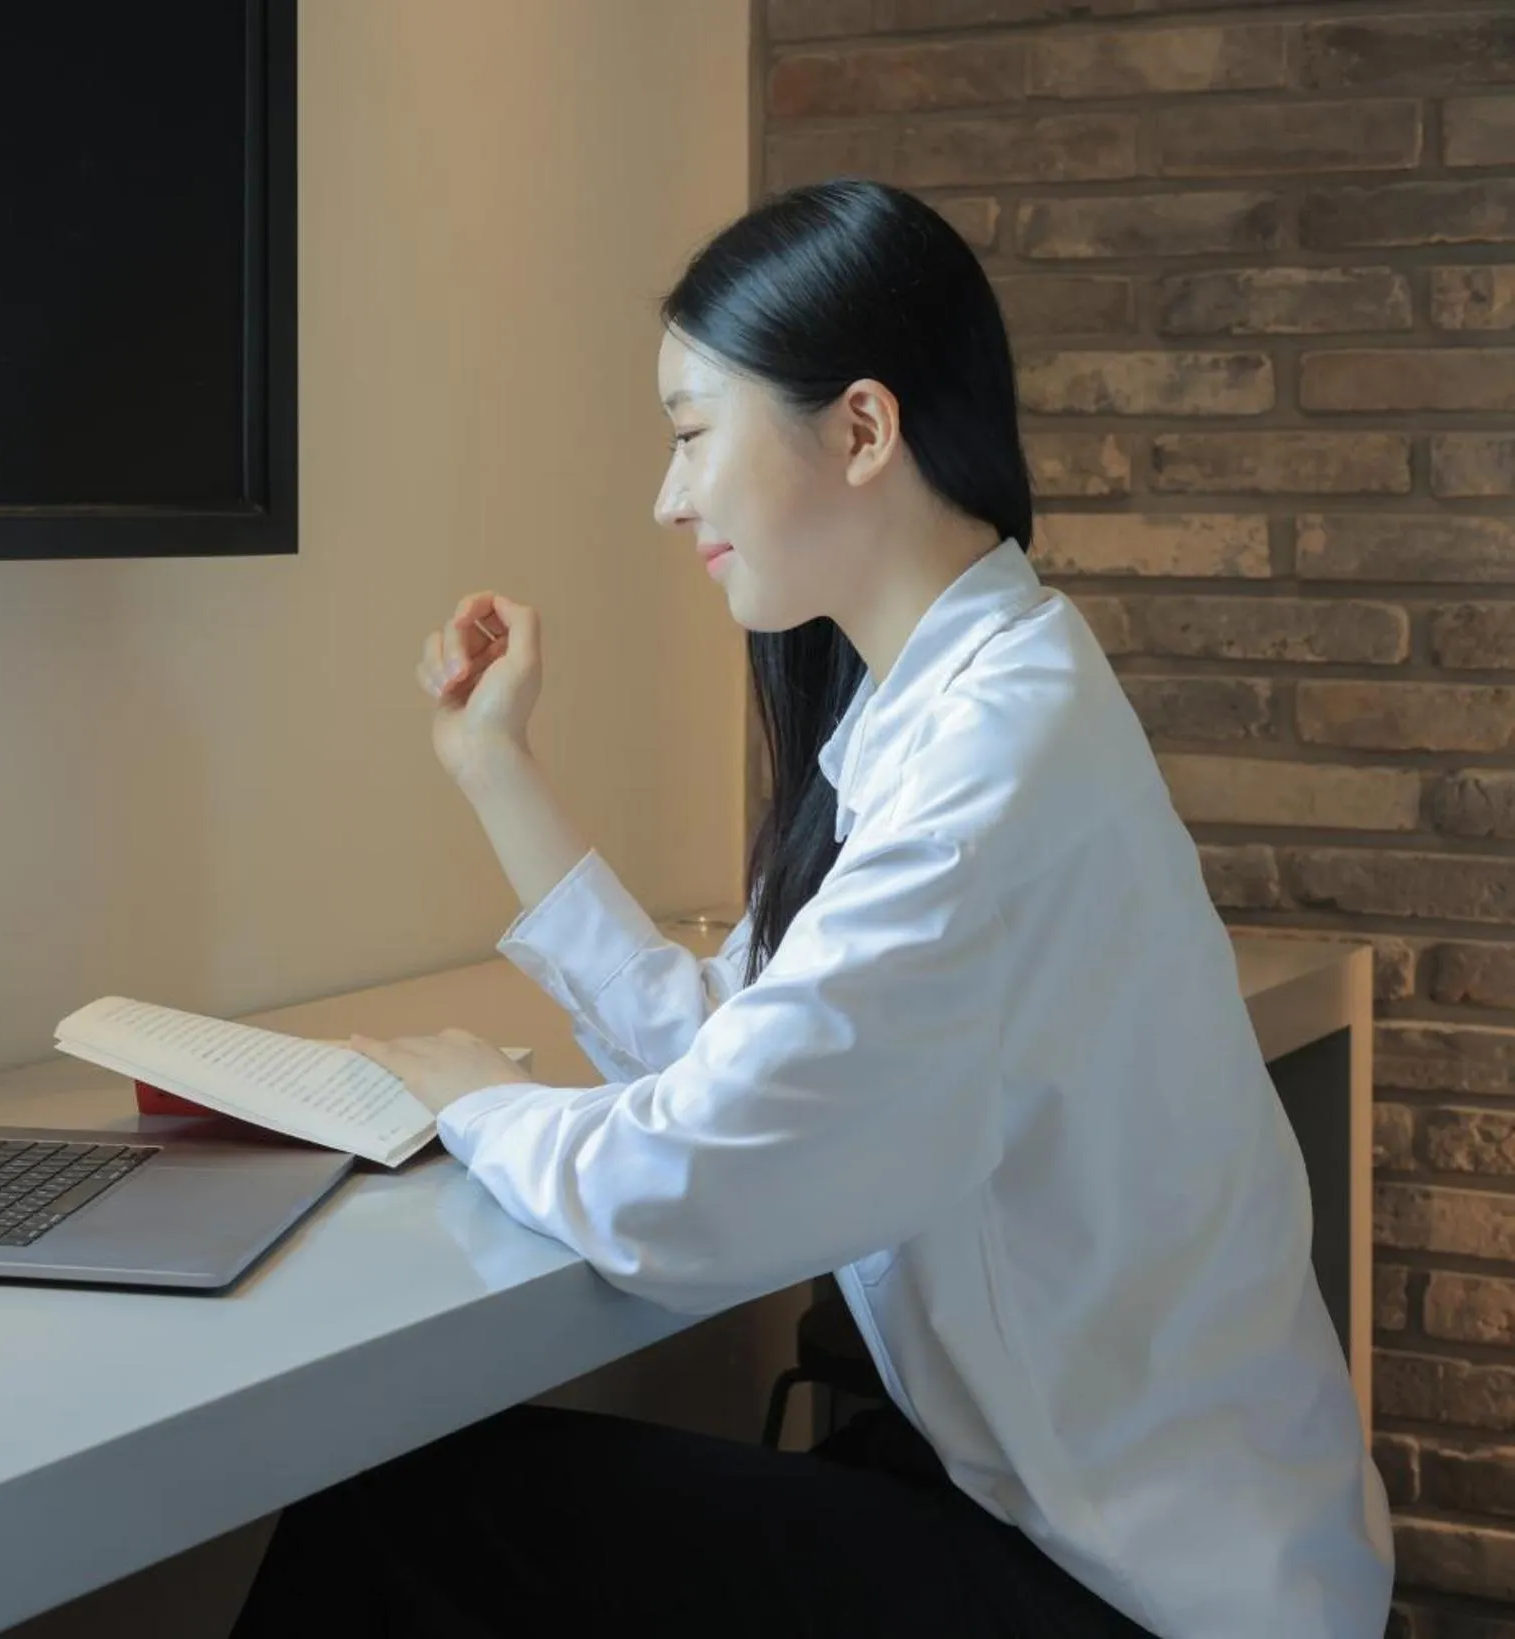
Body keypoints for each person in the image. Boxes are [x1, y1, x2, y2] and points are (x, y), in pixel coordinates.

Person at [232, 179, 1391, 1637]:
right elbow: (741, 1050)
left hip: (1145, 1597)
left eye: (688, 432)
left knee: (407, 1513)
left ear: (858, 428)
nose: (666, 497)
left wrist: (477, 1102)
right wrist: (493, 768)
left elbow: (691, 1186)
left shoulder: (988, 771)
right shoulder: (982, 691)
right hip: (1085, 1519)